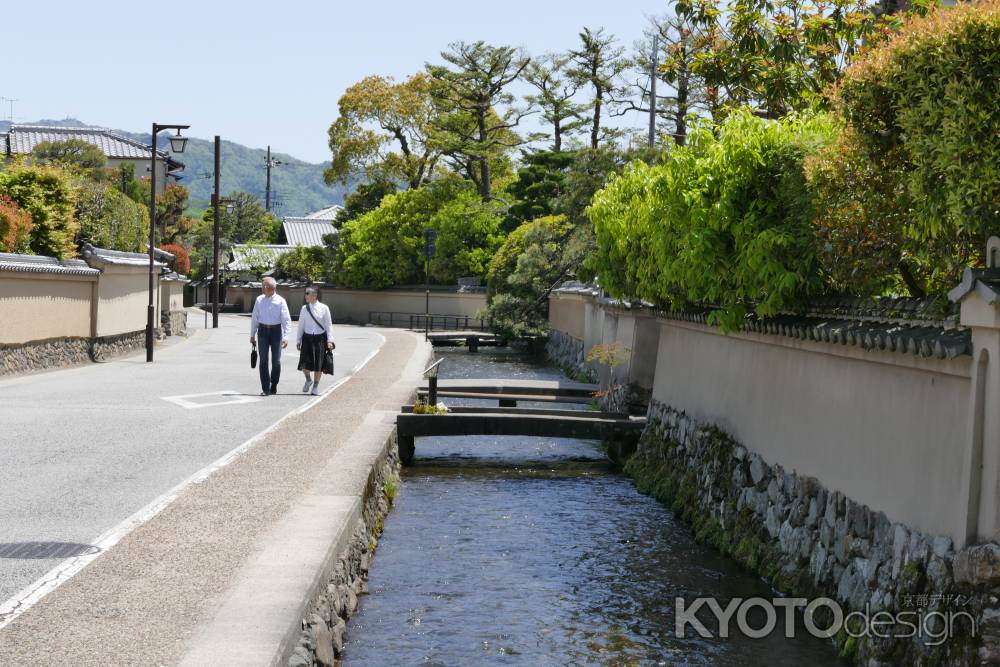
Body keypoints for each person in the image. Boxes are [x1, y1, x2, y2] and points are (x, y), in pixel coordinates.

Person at [250, 277, 291, 396]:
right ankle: (265, 388)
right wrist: (252, 334)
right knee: (263, 361)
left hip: (276, 332)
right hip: (262, 331)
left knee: (276, 361)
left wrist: (286, 336)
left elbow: (286, 320)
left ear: (271, 288)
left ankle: (274, 383)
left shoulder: (280, 301)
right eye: (262, 285)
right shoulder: (259, 300)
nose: (262, 287)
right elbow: (255, 318)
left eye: (264, 286)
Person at [297, 285, 334, 396]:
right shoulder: (304, 308)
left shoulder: (324, 308)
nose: (306, 295)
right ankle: (308, 380)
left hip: (320, 338)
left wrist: (330, 340)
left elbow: (329, 325)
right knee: (304, 363)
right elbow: (301, 325)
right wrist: (298, 340)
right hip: (307, 337)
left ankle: (315, 387)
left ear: (315, 295)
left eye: (308, 293)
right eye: (306, 293)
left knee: (318, 364)